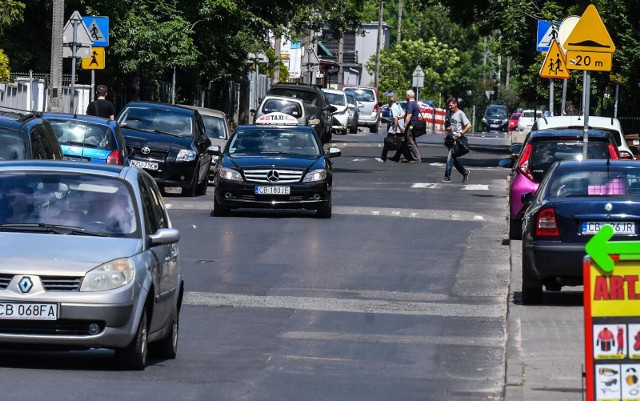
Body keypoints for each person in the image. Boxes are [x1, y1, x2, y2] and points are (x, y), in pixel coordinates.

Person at [443, 97, 471, 183]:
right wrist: (448, 128)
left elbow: (469, 125)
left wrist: (461, 133)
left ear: (455, 104)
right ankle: (464, 172)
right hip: (450, 138)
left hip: (457, 140)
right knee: (453, 159)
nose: (450, 107)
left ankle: (447, 177)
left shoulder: (460, 114)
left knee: (450, 157)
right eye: (449, 106)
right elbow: (447, 125)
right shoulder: (449, 113)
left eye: (451, 105)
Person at [375, 96, 404, 163]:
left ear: (390, 102)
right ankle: (397, 157)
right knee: (400, 143)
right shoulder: (398, 106)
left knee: (387, 142)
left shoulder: (393, 108)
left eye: (388, 101)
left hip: (395, 127)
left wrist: (394, 129)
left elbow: (396, 118)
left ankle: (383, 158)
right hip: (400, 127)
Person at [401, 90, 421, 163]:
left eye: (406, 95)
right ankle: (410, 157)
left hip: (410, 125)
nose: (405, 96)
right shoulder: (415, 103)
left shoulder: (410, 104)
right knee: (410, 139)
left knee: (410, 140)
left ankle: (416, 158)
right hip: (413, 124)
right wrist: (400, 117)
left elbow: (409, 116)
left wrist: (404, 126)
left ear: (409, 96)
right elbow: (407, 114)